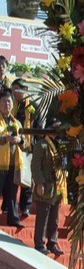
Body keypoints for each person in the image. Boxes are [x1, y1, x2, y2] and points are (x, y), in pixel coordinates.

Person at [2, 78, 43, 216]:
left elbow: (39, 128)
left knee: (26, 179)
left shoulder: (33, 106)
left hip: (27, 146)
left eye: (16, 90)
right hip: (10, 148)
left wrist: (38, 146)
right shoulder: (11, 105)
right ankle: (7, 206)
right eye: (12, 90)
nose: (14, 93)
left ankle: (25, 207)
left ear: (24, 89)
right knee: (10, 180)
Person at [31, 117, 65, 256]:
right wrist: (39, 182)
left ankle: (52, 242)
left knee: (54, 218)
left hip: (57, 185)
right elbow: (35, 166)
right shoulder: (42, 144)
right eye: (54, 128)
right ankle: (39, 243)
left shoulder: (59, 145)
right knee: (42, 216)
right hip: (45, 184)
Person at [0, 89, 27, 228]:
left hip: (13, 163)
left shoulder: (16, 122)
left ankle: (13, 218)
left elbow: (26, 143)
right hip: (0, 163)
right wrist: (6, 139)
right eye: (4, 101)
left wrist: (21, 141)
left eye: (9, 101)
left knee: (12, 193)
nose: (7, 104)